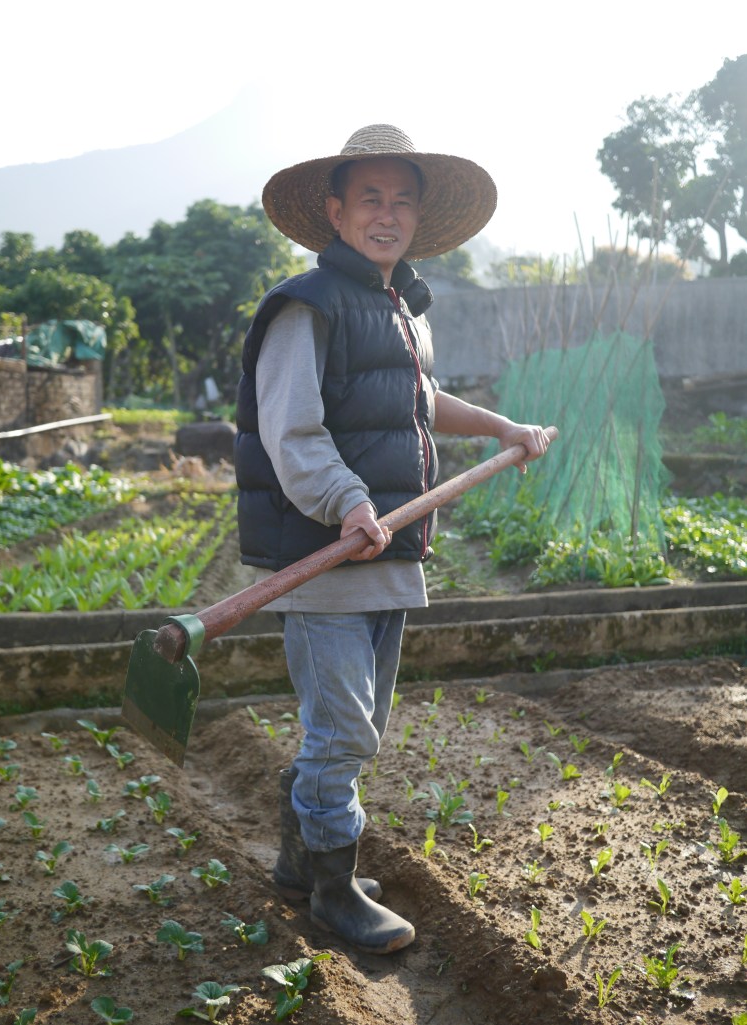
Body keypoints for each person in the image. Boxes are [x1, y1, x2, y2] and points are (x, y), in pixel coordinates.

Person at [234, 124, 550, 955]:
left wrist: (502, 426)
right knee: (343, 730)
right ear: (333, 212)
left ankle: (304, 863)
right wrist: (346, 501)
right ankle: (334, 891)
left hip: (388, 556)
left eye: (401, 199)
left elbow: (422, 401)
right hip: (327, 554)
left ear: (419, 217)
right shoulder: (306, 307)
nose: (387, 213)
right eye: (369, 197)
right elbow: (292, 432)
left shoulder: (401, 312)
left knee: (356, 722)